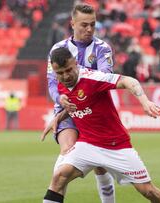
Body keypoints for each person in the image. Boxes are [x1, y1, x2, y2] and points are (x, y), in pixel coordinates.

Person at [41, 47, 160, 203]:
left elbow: (129, 81)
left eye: (68, 70)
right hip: (87, 144)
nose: (65, 76)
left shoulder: (93, 78)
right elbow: (79, 103)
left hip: (116, 146)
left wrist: (145, 101)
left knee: (149, 192)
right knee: (59, 176)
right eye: (60, 73)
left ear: (76, 63)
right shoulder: (61, 84)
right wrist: (59, 117)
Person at [46, 4, 116, 203]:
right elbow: (51, 81)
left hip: (93, 111)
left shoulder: (103, 49)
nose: (89, 29)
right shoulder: (58, 49)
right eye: (84, 25)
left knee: (100, 165)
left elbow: (105, 78)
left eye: (93, 25)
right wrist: (59, 98)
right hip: (66, 110)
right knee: (66, 157)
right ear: (72, 24)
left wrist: (80, 89)